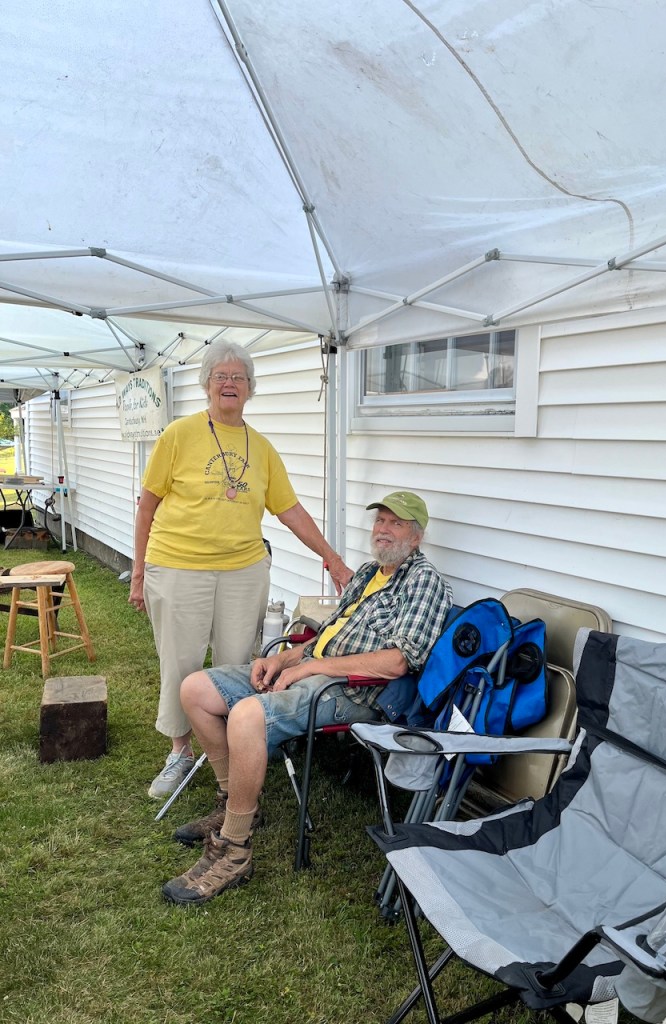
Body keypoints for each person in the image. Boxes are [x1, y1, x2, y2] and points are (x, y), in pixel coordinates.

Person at [161, 490, 452, 905]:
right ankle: (235, 805)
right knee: (195, 689)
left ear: (417, 536)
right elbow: (326, 635)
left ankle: (234, 849)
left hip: (353, 691)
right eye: (380, 521)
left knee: (246, 715)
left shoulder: (424, 582)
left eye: (396, 523)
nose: (383, 530)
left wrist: (310, 668)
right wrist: (283, 659)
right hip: (312, 672)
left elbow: (396, 663)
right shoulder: (369, 572)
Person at [129, 340, 352, 800]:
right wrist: (138, 573)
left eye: (239, 378)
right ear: (206, 385)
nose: (229, 384)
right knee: (182, 663)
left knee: (236, 666)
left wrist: (332, 558)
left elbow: (290, 511)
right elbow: (147, 506)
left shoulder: (262, 448)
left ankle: (230, 757)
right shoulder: (179, 435)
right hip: (178, 566)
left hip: (243, 571)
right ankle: (179, 751)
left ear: (251, 389)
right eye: (220, 377)